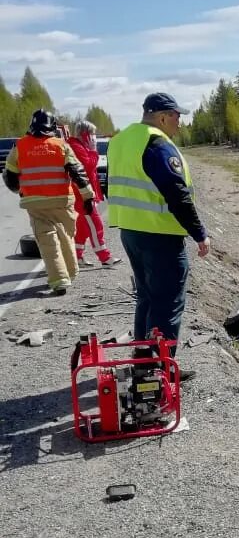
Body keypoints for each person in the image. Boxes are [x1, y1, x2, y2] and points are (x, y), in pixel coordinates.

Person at [107, 92, 210, 363]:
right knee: (167, 303)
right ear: (163, 116)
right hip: (160, 236)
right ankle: (158, 370)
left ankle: (143, 360)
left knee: (148, 297)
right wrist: (199, 233)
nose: (180, 123)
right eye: (177, 117)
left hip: (130, 232)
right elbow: (177, 194)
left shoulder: (120, 141)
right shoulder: (156, 144)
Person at [3, 110, 94, 295]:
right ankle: (70, 272)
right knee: (66, 236)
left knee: (47, 242)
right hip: (63, 201)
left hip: (36, 204)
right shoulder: (61, 145)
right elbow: (79, 173)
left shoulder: (20, 146)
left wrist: (19, 190)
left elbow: (10, 175)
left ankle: (60, 280)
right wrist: (88, 196)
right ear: (52, 126)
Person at [66, 120, 119, 268]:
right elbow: (88, 167)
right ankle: (105, 258)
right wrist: (93, 150)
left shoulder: (80, 146)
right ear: (86, 134)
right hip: (82, 196)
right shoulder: (76, 147)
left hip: (85, 194)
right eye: (92, 134)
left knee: (83, 228)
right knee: (96, 225)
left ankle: (77, 257)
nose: (94, 137)